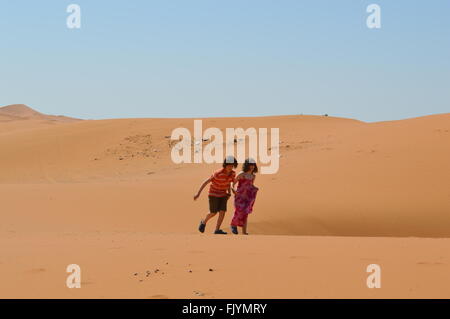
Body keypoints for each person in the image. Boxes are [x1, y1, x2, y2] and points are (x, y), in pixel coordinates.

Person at [194, 156, 238, 234]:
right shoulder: (218, 173)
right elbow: (206, 182)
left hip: (223, 195)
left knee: (222, 211)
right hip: (213, 194)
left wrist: (229, 192)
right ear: (225, 165)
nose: (231, 167)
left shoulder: (233, 174)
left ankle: (217, 230)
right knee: (213, 212)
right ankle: (203, 222)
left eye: (232, 165)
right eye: (229, 165)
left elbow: (229, 183)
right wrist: (198, 193)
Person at [230, 158, 259, 235]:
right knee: (238, 211)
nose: (252, 167)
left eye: (253, 165)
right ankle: (233, 225)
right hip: (239, 195)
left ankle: (244, 232)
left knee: (245, 213)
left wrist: (255, 188)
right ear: (247, 165)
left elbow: (251, 185)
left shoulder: (253, 176)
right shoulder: (241, 174)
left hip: (247, 197)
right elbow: (233, 183)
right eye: (250, 165)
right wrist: (233, 189)